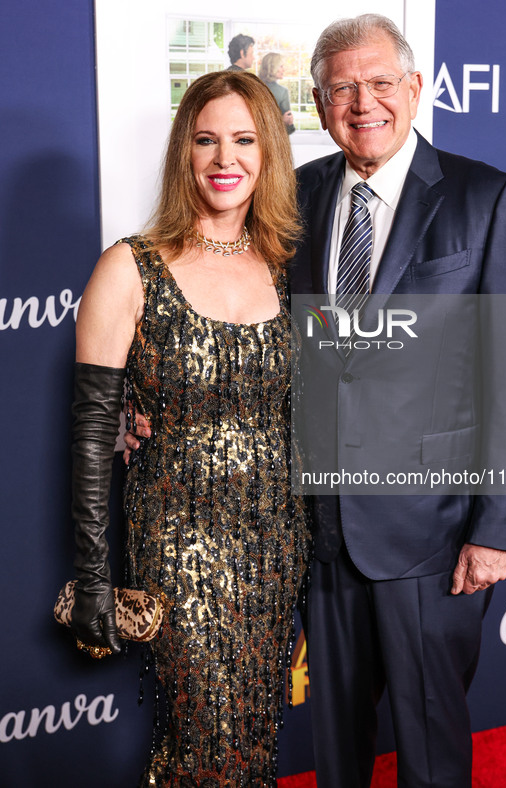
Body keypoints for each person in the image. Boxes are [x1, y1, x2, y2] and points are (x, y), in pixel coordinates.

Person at [289, 13, 506, 788]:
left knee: (429, 749)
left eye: (377, 83)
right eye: (341, 89)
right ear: (318, 101)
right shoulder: (293, 197)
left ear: (414, 88)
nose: (362, 103)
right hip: (321, 531)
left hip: (432, 537)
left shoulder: (485, 197)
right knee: (334, 750)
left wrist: (494, 530)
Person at [69, 69, 310, 787]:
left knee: (250, 739)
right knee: (203, 731)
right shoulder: (129, 267)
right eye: (205, 140)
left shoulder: (293, 269)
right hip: (179, 544)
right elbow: (89, 440)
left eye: (243, 140)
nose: (223, 159)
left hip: (277, 543)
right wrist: (92, 579)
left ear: (267, 153)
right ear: (184, 152)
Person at [259, 52, 296, 135]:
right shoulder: (282, 92)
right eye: (281, 66)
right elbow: (289, 126)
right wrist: (282, 122)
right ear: (272, 68)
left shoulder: (252, 86)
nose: (284, 69)